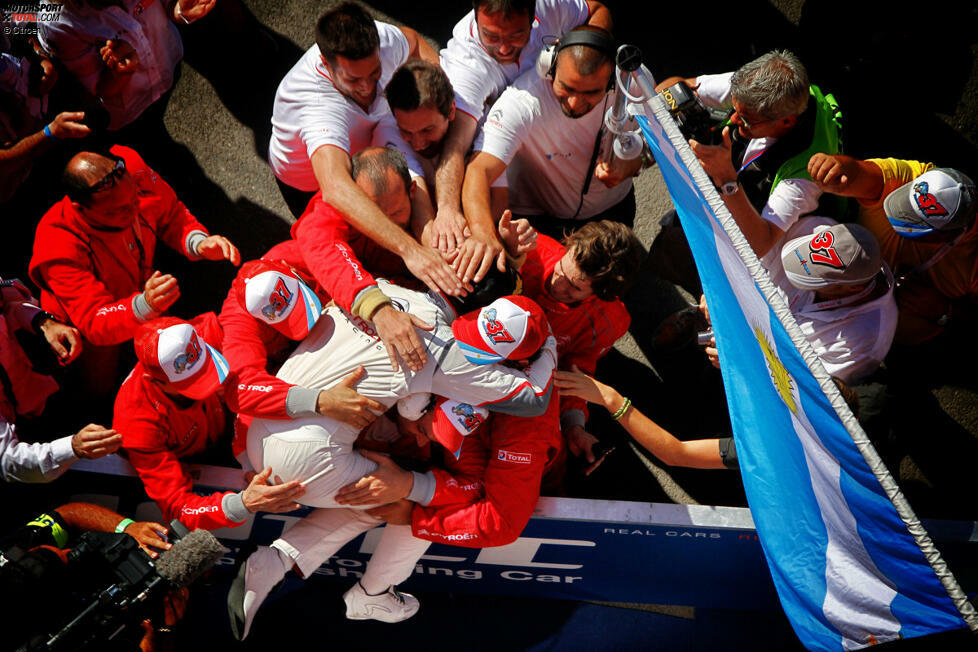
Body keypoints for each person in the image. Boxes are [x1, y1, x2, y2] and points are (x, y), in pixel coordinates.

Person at [231, 288, 560, 637]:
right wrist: (412, 491)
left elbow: (501, 520)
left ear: (518, 365)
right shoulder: (450, 348)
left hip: (261, 433)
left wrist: (414, 511)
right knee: (402, 489)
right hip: (308, 452)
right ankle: (370, 592)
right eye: (470, 341)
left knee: (407, 492)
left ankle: (284, 560)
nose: (464, 351)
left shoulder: (524, 426)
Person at [268, 2, 461, 299]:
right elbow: (335, 187)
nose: (368, 87)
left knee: (407, 201)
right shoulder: (318, 105)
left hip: (368, 136)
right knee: (363, 250)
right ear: (325, 63)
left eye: (374, 73)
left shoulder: (382, 41)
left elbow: (413, 41)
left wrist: (442, 94)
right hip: (310, 180)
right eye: (353, 79)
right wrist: (411, 251)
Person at [28, 145, 240, 397]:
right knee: (101, 389)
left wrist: (198, 243)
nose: (132, 212)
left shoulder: (132, 166)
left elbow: (170, 213)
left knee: (170, 360)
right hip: (89, 332)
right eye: (116, 211)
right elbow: (94, 321)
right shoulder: (58, 244)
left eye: (134, 200)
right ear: (79, 208)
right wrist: (144, 305)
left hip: (143, 295)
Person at [653, 50, 842, 296]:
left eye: (746, 120)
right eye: (734, 109)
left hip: (767, 240)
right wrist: (676, 102)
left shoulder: (804, 174)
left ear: (786, 122)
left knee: (687, 264)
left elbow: (760, 243)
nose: (733, 119)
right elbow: (675, 86)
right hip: (734, 194)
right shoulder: (755, 89)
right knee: (666, 252)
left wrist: (727, 180)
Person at [460, 25, 642, 281]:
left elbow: (660, 143)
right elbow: (479, 169)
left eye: (591, 93)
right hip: (541, 222)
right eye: (567, 88)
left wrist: (636, 162)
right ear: (549, 67)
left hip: (612, 212)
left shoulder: (633, 84)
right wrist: (482, 233)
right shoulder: (522, 103)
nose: (575, 103)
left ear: (612, 80)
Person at [433, 0, 611, 253]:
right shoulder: (466, 67)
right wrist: (448, 210)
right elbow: (455, 146)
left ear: (534, 17)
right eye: (491, 36)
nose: (504, 48)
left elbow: (596, 9)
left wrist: (588, 50)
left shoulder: (551, 5)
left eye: (517, 35)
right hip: (513, 165)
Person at [113, 315, 307, 531]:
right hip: (193, 458)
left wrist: (246, 454)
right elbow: (178, 508)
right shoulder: (136, 424)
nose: (210, 384)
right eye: (191, 383)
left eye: (207, 366)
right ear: (155, 381)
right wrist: (244, 503)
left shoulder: (211, 331)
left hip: (231, 425)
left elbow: (255, 374)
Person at [501, 219, 642, 473]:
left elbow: (576, 373)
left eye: (574, 288)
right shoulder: (526, 249)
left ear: (602, 294)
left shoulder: (610, 321)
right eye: (561, 269)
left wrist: (574, 427)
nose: (558, 284)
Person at [807, 155, 978, 345]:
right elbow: (860, 173)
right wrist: (835, 168)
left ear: (945, 236)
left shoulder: (973, 260)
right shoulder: (913, 175)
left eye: (913, 224)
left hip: (878, 338)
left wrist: (945, 310)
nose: (899, 218)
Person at [706, 218, 898, 385]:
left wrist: (742, 361)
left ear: (853, 288)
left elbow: (803, 386)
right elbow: (752, 258)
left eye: (812, 278)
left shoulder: (864, 340)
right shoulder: (811, 228)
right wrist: (719, 289)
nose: (797, 272)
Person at [292, 146, 433, 372]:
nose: (385, 227)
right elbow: (319, 242)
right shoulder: (336, 204)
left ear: (412, 191)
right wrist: (378, 309)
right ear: (355, 198)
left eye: (396, 213)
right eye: (374, 215)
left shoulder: (432, 214)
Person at [0, 501, 180, 652]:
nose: (70, 550)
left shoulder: (12, 553)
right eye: (68, 560)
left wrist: (127, 528)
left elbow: (68, 515)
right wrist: (166, 629)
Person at [0, 278, 121, 482]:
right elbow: (8, 461)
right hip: (31, 452)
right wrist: (73, 448)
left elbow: (11, 299)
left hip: (51, 396)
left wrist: (41, 320)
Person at [37, 0, 216, 132]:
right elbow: (98, 88)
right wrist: (119, 73)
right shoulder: (56, 22)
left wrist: (180, 11)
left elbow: (169, 5)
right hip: (131, 112)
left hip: (169, 61)